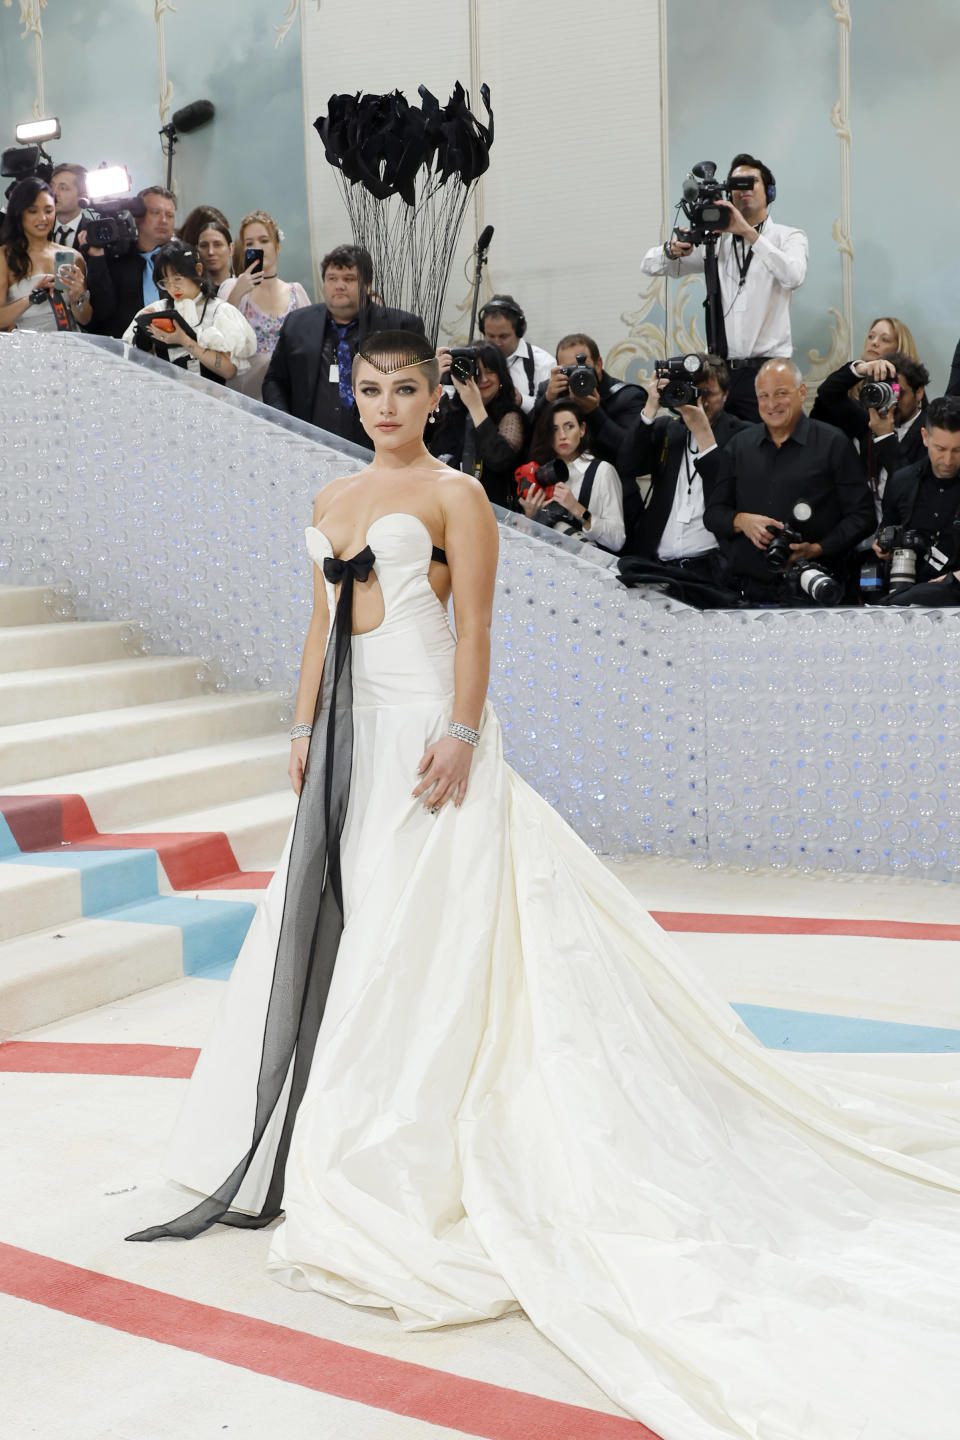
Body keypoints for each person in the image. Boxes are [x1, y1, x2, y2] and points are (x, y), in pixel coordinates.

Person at [126, 327, 960, 1440]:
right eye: (369, 388)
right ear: (352, 392)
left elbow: (474, 627)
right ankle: (336, 1123)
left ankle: (407, 1133)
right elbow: (317, 625)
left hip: (430, 735)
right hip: (347, 751)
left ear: (435, 396)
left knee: (427, 938)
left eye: (405, 390)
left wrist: (465, 730)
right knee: (355, 925)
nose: (385, 405)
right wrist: (299, 724)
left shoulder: (457, 495)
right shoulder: (328, 492)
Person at [640, 153, 808, 422]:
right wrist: (672, 250)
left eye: (750, 183)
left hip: (769, 372)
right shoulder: (717, 242)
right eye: (735, 186)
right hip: (722, 374)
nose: (743, 192)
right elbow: (648, 265)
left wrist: (749, 233)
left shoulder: (788, 237)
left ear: (770, 191)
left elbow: (793, 276)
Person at [697, 358, 874, 600]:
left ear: (801, 392)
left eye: (781, 393)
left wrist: (817, 549)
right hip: (748, 593)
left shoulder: (833, 443)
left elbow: (863, 517)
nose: (772, 404)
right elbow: (714, 514)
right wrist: (741, 521)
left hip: (816, 591)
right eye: (763, 396)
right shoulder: (739, 445)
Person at [262, 242, 423, 444]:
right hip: (311, 445)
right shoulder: (298, 323)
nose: (339, 285)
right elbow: (274, 381)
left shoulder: (400, 327)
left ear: (367, 286)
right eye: (332, 278)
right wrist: (284, 424)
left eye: (349, 279)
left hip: (381, 447)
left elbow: (417, 388)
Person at [617, 353, 749, 570]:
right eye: (693, 390)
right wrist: (650, 407)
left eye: (707, 393)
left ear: (725, 395)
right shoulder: (667, 429)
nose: (700, 400)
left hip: (711, 566)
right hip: (658, 563)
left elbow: (728, 490)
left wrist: (702, 431)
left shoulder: (742, 436)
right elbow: (628, 465)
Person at [534, 332, 648, 542]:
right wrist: (546, 399)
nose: (576, 375)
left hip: (616, 505)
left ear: (598, 364)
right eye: (568, 370)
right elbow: (531, 443)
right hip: (562, 502)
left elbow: (633, 456)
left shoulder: (626, 397)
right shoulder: (552, 392)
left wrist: (596, 412)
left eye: (582, 366)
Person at [121, 239, 256, 384]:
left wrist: (185, 341)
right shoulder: (158, 309)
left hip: (211, 399)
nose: (173, 287)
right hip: (167, 396)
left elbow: (228, 371)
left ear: (198, 270)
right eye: (165, 282)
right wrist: (143, 335)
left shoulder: (219, 311)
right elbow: (137, 366)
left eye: (178, 278)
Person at [812, 345, 929, 498]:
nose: (891, 401)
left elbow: (910, 488)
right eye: (884, 392)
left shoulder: (931, 432)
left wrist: (885, 437)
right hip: (868, 517)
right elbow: (828, 394)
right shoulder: (869, 420)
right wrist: (860, 369)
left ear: (919, 391)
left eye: (898, 393)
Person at [873, 396, 960, 600]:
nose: (947, 460)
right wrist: (883, 545)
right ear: (925, 437)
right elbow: (886, 529)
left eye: (957, 451)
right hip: (907, 591)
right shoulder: (902, 482)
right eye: (940, 449)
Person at [520, 399, 625, 551]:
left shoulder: (603, 471)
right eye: (554, 429)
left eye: (569, 427)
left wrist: (577, 509)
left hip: (589, 565)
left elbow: (617, 540)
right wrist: (531, 516)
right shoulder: (540, 473)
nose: (562, 435)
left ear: (582, 429)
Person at [428, 342, 524, 509]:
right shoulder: (447, 408)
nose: (483, 379)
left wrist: (475, 406)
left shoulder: (511, 416)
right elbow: (413, 435)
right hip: (439, 504)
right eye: (475, 371)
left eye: (490, 371)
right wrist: (428, 382)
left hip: (489, 512)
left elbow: (500, 459)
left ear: (501, 375)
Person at [82, 184, 177, 339]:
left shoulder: (181, 259)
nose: (164, 220)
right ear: (136, 216)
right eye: (155, 213)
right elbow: (100, 314)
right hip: (121, 348)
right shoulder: (112, 259)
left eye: (170, 215)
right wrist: (96, 257)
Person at [0, 175, 92, 332]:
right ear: (19, 213)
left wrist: (79, 296)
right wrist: (32, 298)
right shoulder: (4, 257)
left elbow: (85, 319)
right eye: (32, 211)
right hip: (22, 348)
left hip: (69, 343)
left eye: (48, 210)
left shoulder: (73, 256)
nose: (43, 218)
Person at [220, 210, 311, 355]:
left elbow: (311, 342)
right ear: (243, 249)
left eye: (264, 240)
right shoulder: (232, 287)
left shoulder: (296, 292)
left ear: (277, 246)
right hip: (246, 376)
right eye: (250, 243)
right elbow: (219, 339)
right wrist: (237, 293)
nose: (258, 247)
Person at [479, 294, 554, 413]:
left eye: (503, 336)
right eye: (491, 336)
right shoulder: (472, 359)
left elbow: (551, 411)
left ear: (519, 331)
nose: (496, 343)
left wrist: (522, 400)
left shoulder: (544, 363)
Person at [50, 163, 90, 252]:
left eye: (63, 188)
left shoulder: (92, 232)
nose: (53, 193)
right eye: (51, 186)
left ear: (83, 198)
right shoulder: (39, 228)